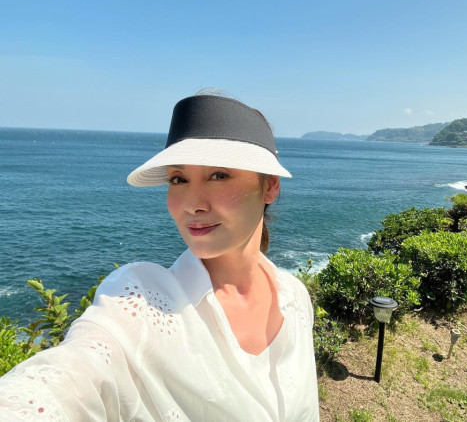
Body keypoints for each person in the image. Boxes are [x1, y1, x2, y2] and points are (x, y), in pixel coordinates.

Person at [0, 93, 320, 421]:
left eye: (219, 175)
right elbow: (73, 376)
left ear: (270, 186)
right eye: (178, 179)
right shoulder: (143, 303)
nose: (192, 204)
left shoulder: (295, 297)